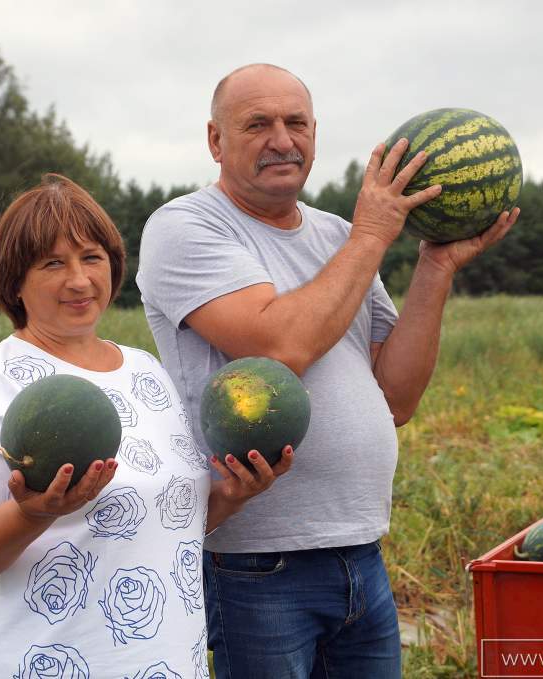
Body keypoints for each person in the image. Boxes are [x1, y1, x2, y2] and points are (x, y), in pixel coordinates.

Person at [136, 64, 519, 678]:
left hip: (360, 551)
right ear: (216, 140)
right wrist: (372, 234)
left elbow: (396, 396)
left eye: (297, 123)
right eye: (257, 124)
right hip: (255, 562)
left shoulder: (337, 236)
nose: (282, 140)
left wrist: (435, 267)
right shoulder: (184, 227)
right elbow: (278, 350)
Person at [0, 174, 291, 678]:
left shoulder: (145, 372)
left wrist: (232, 496)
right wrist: (31, 514)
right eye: (53, 263)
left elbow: (164, 524)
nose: (79, 280)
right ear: (14, 281)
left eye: (91, 258)